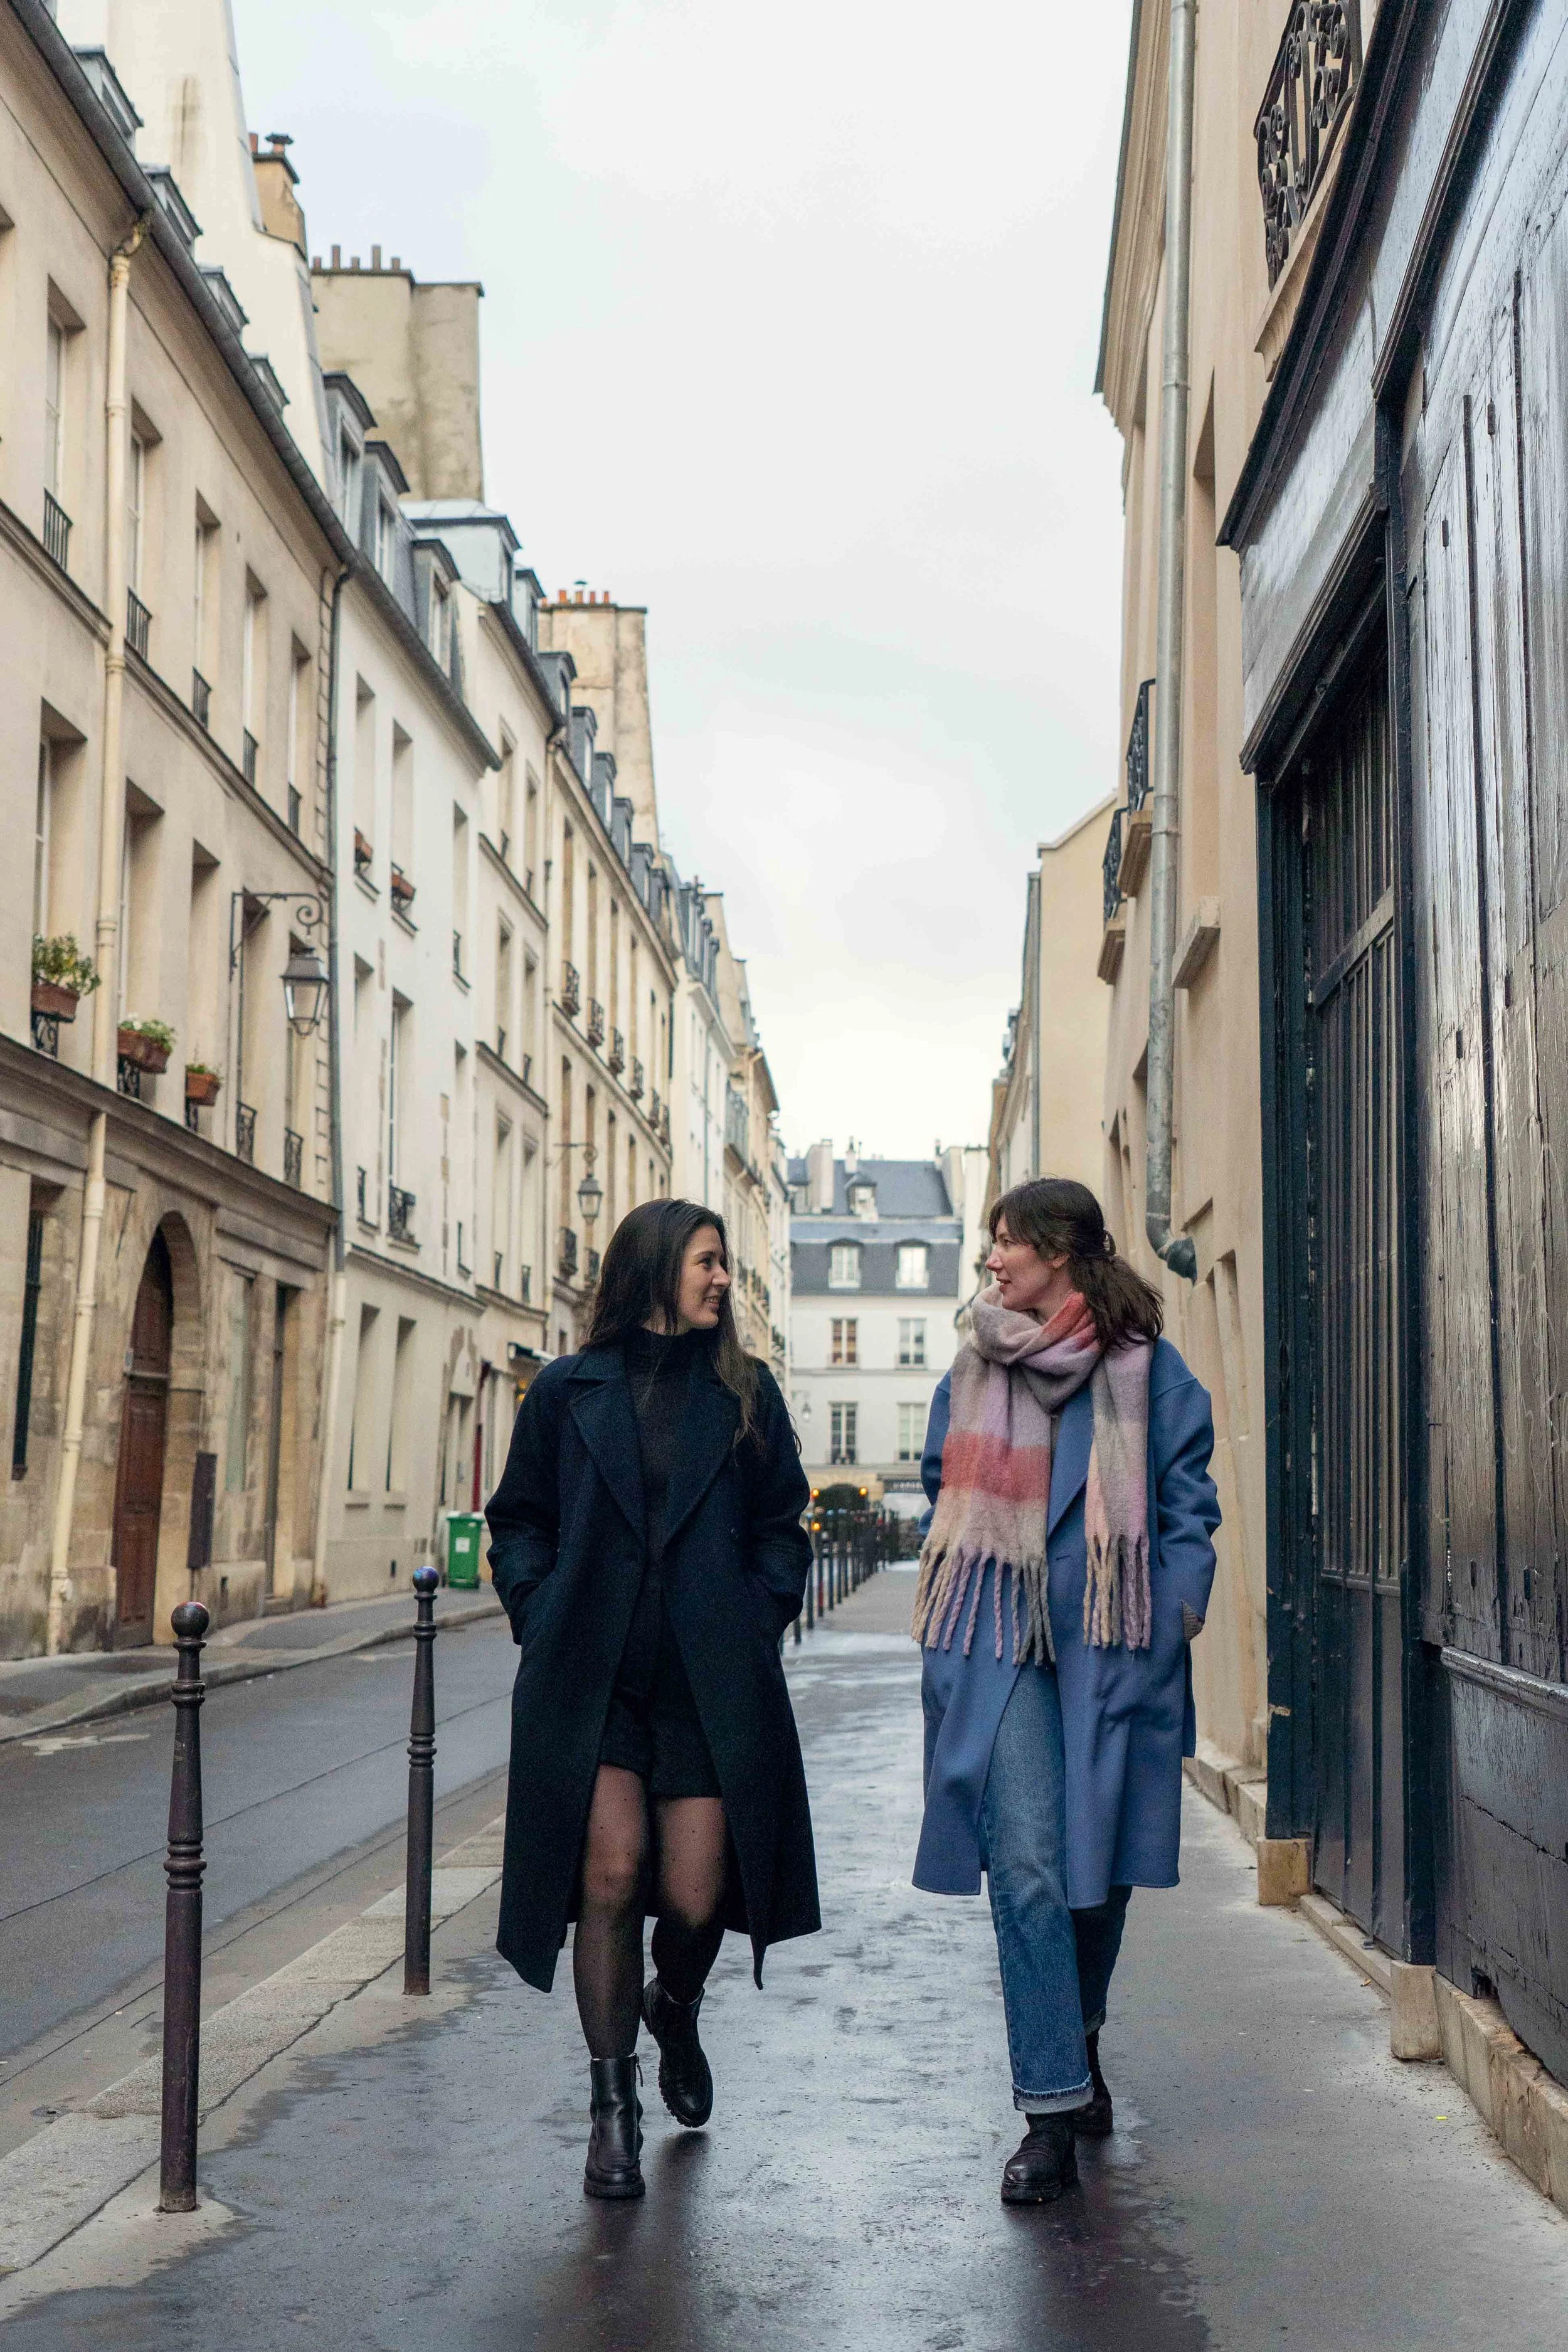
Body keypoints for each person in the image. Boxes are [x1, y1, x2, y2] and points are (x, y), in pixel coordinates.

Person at [485, 1199, 818, 2200]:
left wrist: (758, 1616)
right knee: (611, 1872)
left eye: (726, 1263)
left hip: (709, 1683)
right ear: (657, 1267)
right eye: (709, 1262)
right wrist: (541, 1612)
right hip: (595, 1680)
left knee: (695, 1892)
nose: (724, 1278)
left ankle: (673, 1999)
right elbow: (519, 1520)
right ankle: (612, 2109)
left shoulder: (747, 1393)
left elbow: (780, 1524)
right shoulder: (565, 1389)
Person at [913, 1177, 1219, 2205]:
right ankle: (1049, 2106)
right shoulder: (973, 1365)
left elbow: (1189, 1508)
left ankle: (1079, 2033)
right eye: (992, 1241)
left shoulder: (1148, 1373)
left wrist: (1172, 1613)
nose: (992, 1257)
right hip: (998, 1643)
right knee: (1033, 1861)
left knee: (1103, 1874)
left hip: (1111, 1644)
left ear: (1060, 1252)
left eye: (1008, 1240)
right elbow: (934, 1474)